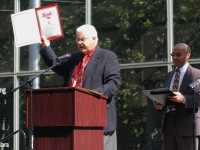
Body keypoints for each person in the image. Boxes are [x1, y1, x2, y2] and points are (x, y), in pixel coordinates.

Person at [40, 24, 121, 150]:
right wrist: (46, 46)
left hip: (97, 118)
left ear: (94, 39)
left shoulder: (107, 57)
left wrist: (89, 95)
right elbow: (58, 67)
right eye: (77, 39)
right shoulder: (74, 57)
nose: (79, 42)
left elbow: (113, 84)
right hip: (72, 118)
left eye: (82, 39)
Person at [153, 43, 200, 150]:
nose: (175, 58)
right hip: (169, 124)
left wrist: (183, 99)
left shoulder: (197, 74)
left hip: (187, 125)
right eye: (172, 54)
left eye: (179, 55)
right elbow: (167, 97)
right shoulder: (169, 75)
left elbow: (198, 98)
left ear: (188, 55)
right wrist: (160, 104)